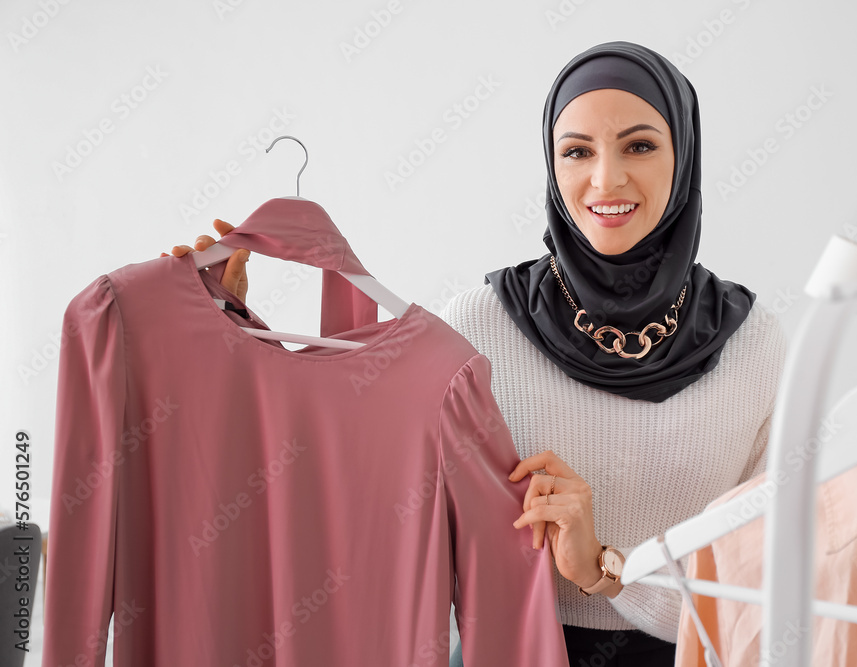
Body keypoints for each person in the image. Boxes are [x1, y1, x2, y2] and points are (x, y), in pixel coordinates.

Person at [164, 40, 786, 666]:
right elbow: (351, 495)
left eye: (640, 145)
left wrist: (605, 566)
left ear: (684, 155)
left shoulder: (756, 345)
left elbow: (775, 587)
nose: (606, 178)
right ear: (551, 164)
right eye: (577, 151)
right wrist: (234, 334)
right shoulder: (478, 328)